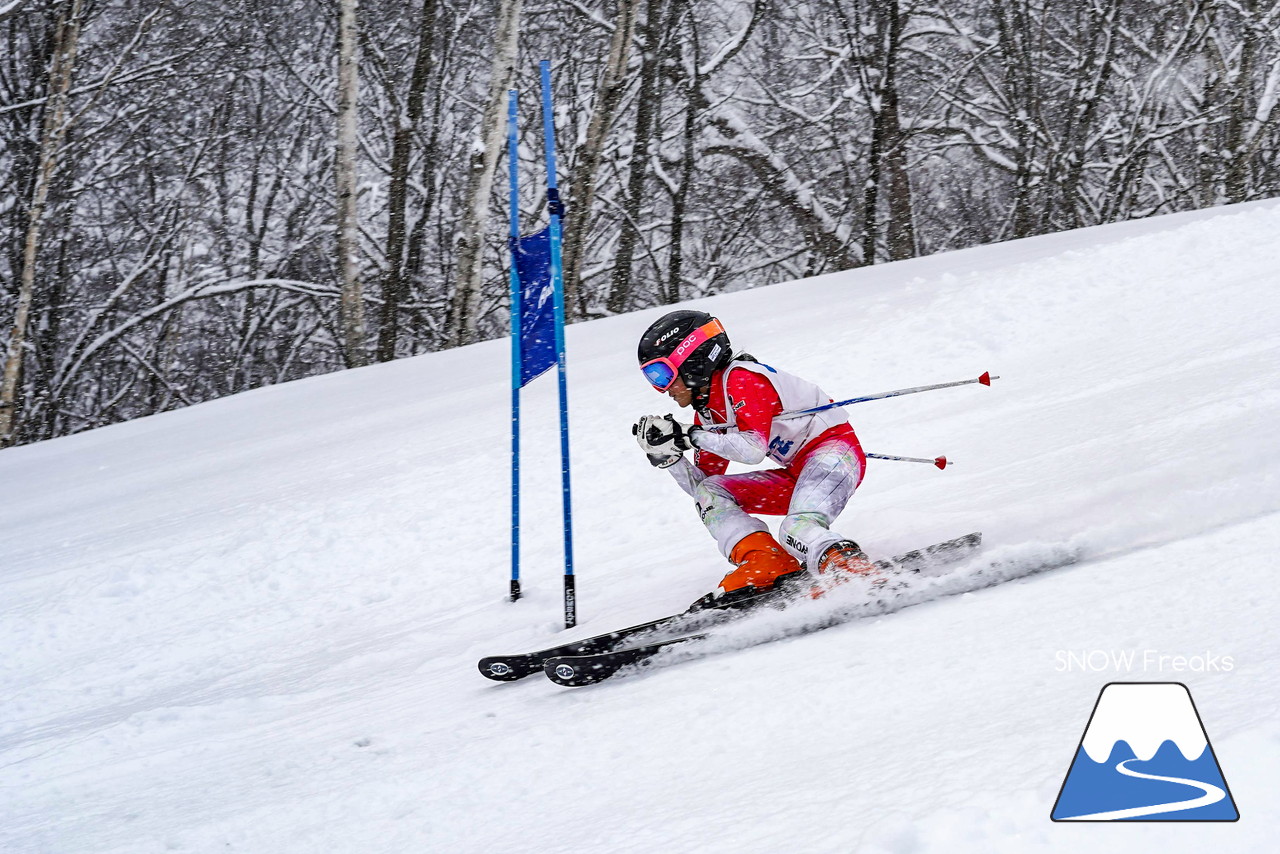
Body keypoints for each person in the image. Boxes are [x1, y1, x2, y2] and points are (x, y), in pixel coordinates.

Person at [632, 309, 876, 606]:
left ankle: (849, 567)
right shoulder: (708, 411)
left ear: (693, 360)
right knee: (712, 493)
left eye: (663, 374)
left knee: (795, 528)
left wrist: (689, 436)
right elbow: (704, 486)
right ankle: (767, 561)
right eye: (653, 378)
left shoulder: (742, 379)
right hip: (797, 473)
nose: (663, 389)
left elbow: (752, 450)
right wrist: (670, 458)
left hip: (835, 455)